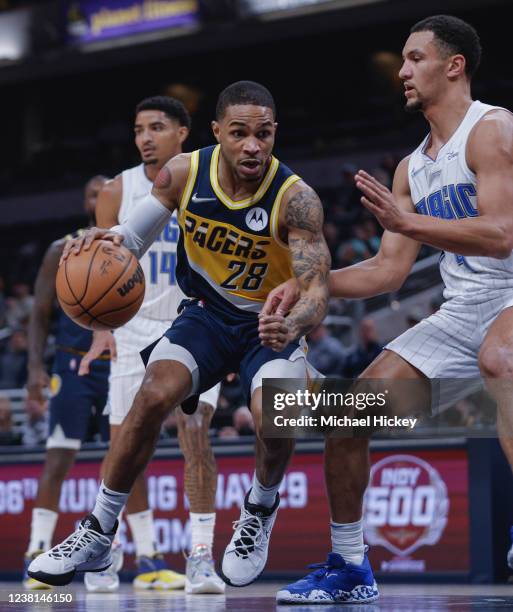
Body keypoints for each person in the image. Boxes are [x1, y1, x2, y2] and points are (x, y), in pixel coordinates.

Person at [28, 80, 331, 594]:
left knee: (275, 418)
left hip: (267, 323)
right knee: (152, 395)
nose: (252, 145)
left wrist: (297, 321)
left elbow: (317, 288)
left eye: (263, 133)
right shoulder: (184, 173)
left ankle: (259, 507)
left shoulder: (296, 199)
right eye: (239, 133)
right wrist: (109, 244)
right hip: (207, 316)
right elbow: (132, 239)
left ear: (275, 133)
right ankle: (100, 529)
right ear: (217, 133)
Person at [261, 14, 513, 602]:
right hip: (462, 309)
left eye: (415, 58)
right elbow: (388, 271)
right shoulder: (411, 167)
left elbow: (503, 234)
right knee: (348, 416)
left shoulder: (493, 130)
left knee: (501, 359)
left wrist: (407, 221)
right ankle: (350, 566)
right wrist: (308, 283)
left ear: (455, 66)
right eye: (402, 59)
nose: (402, 70)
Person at [77, 96, 224, 595]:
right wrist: (101, 332)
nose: (144, 137)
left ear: (183, 133)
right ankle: (118, 550)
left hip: (193, 324)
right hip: (131, 327)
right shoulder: (117, 189)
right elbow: (97, 270)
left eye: (156, 127)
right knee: (126, 446)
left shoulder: (208, 178)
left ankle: (201, 555)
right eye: (139, 128)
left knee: (194, 433)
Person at [23, 176, 111, 590]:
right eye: (93, 194)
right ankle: (37, 548)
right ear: (85, 201)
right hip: (71, 363)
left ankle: (147, 556)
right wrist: (35, 372)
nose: (99, 200)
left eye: (106, 194)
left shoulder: (129, 245)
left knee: (127, 457)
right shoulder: (61, 249)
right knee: (58, 458)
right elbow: (40, 316)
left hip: (118, 364)